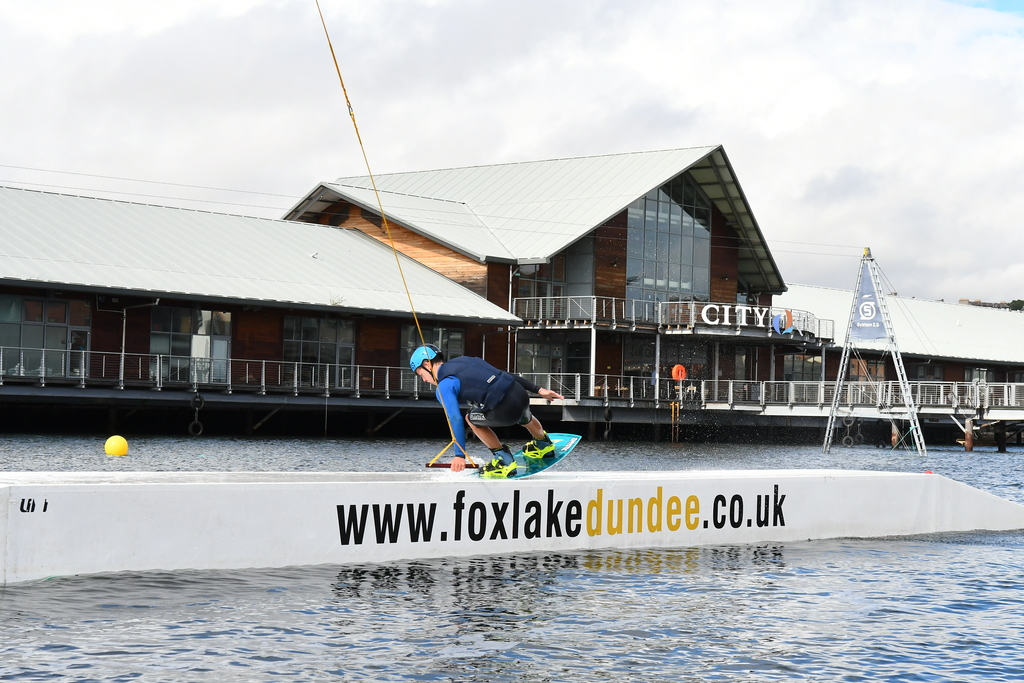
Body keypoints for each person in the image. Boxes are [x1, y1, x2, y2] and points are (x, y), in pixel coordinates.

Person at [409, 344, 565, 478]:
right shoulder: (465, 360)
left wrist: (459, 456)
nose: (423, 380)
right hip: (520, 394)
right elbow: (504, 375)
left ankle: (504, 460)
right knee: (524, 416)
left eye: (420, 374)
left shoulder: (444, 385)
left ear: (427, 365)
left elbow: (455, 418)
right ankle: (544, 444)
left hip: (506, 411)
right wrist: (538, 390)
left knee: (471, 418)